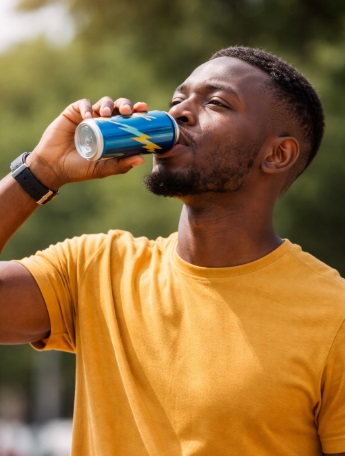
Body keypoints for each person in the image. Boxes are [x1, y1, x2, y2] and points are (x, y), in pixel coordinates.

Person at [0, 45, 344, 456]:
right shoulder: (97, 268)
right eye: (177, 100)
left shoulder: (331, 314)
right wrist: (40, 171)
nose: (178, 113)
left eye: (215, 102)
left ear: (277, 154)